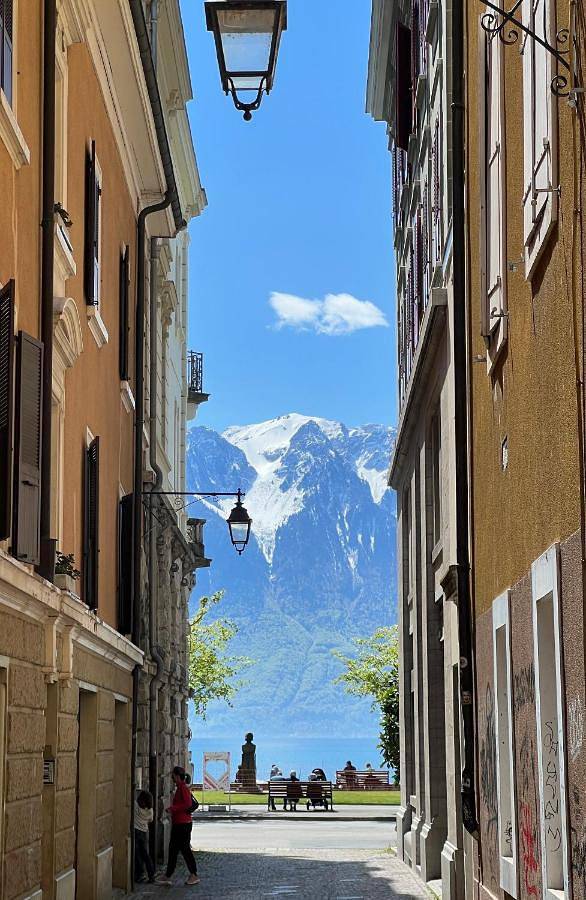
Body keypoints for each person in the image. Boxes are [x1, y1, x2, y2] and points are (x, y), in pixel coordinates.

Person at [156, 766, 199, 886]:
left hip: (183, 824)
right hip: (179, 823)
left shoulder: (183, 788)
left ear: (177, 776)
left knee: (184, 849)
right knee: (173, 849)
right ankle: (168, 875)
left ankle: (194, 874)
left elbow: (187, 804)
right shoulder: (181, 788)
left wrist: (172, 808)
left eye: (173, 776)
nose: (172, 778)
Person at [134, 790, 155, 884]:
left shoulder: (136, 806)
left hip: (136, 831)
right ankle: (151, 874)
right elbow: (151, 820)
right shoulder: (150, 811)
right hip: (144, 832)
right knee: (146, 855)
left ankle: (140, 874)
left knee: (137, 855)